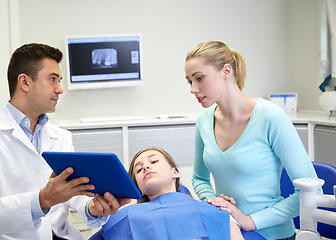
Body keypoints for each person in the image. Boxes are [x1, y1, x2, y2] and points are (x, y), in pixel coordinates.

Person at [0, 43, 130, 240]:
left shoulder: (61, 137)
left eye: (59, 80)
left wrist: (92, 208)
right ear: (24, 82)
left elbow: (71, 194)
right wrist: (42, 200)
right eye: (52, 79)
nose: (60, 89)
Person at [184, 40, 319, 240]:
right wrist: (215, 201)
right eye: (189, 81)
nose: (193, 88)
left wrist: (250, 220)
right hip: (229, 231)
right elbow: (199, 178)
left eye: (199, 78)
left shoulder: (270, 116)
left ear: (226, 71)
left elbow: (311, 191)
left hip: (273, 234)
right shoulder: (204, 120)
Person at [100, 147, 247, 240]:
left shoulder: (218, 209)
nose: (145, 166)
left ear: (175, 172)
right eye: (138, 170)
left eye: (154, 161)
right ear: (139, 189)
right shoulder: (123, 218)